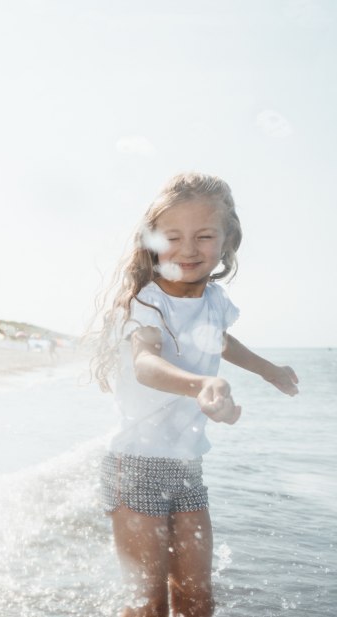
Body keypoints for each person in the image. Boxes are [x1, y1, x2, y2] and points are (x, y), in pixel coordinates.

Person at [90, 172, 299, 617]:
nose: (188, 249)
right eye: (173, 237)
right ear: (152, 242)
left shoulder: (214, 300)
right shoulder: (146, 304)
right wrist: (201, 384)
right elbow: (146, 364)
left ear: (227, 242)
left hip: (187, 467)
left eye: (204, 236)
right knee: (147, 601)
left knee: (197, 598)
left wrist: (268, 370)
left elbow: (219, 340)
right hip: (137, 466)